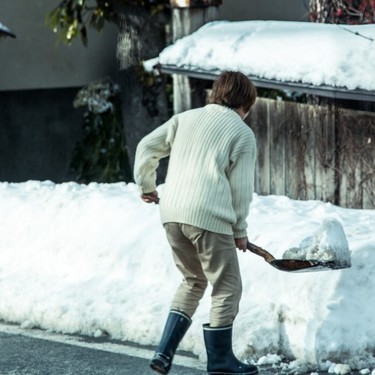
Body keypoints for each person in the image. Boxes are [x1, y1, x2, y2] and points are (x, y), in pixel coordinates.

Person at [134, 71, 258, 375]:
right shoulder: (241, 133)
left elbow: (146, 147)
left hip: (172, 215)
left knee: (193, 280)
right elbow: (239, 189)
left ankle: (164, 352)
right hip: (209, 217)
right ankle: (220, 361)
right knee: (227, 286)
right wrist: (239, 231)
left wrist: (147, 184)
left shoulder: (185, 118)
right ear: (246, 102)